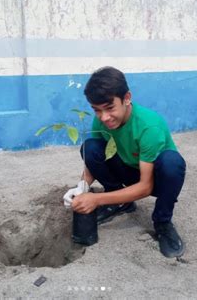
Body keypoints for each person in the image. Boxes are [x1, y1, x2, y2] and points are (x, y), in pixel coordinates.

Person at [64, 66, 187, 258]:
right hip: (127, 169)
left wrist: (96, 199)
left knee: (172, 163)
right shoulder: (102, 121)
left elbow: (145, 187)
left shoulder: (149, 126)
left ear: (127, 98)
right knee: (91, 147)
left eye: (110, 108)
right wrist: (82, 186)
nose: (104, 117)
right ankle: (121, 203)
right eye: (97, 110)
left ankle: (163, 222)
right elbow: (94, 158)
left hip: (155, 177)